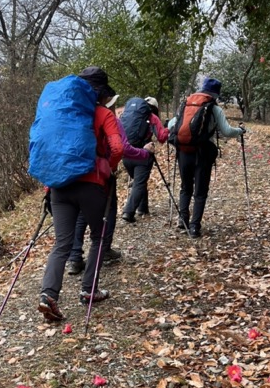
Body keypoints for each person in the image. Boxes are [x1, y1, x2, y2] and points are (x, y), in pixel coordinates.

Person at [38, 67, 123, 322]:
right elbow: (117, 148)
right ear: (101, 93)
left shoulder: (63, 112)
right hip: (92, 184)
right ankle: (89, 290)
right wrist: (109, 167)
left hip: (59, 186)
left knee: (62, 243)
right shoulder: (102, 113)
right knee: (98, 236)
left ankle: (48, 295)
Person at [66, 96, 155, 275]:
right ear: (109, 102)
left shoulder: (78, 116)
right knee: (110, 210)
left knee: (82, 214)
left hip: (78, 172)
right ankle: (104, 250)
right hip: (101, 175)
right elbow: (122, 148)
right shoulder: (110, 118)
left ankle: (75, 258)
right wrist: (144, 153)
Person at [169, 77, 245, 238]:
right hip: (203, 153)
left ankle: (182, 220)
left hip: (183, 151)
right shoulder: (213, 108)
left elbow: (171, 126)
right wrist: (240, 131)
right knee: (200, 191)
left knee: (185, 187)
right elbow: (226, 131)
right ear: (216, 94)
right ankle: (195, 227)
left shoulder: (186, 104)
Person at [121, 97, 169, 222]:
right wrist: (168, 128)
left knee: (139, 181)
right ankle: (128, 212)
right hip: (143, 154)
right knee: (139, 183)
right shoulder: (152, 117)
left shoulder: (125, 115)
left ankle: (143, 208)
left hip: (127, 155)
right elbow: (162, 138)